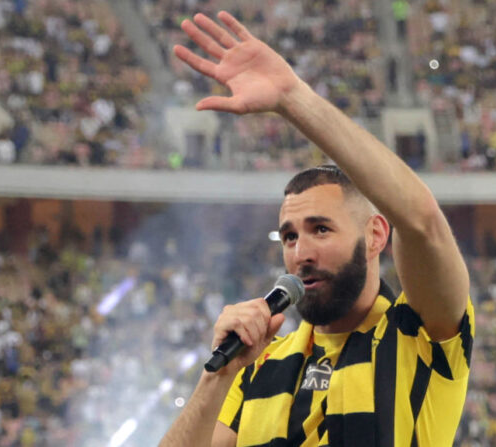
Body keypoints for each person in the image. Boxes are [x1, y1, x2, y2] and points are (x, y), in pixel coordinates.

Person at [158, 11, 474, 447]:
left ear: (376, 236)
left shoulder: (418, 336)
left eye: (321, 229)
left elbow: (421, 222)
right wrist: (218, 377)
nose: (300, 252)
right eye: (289, 236)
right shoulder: (261, 362)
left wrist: (292, 99)